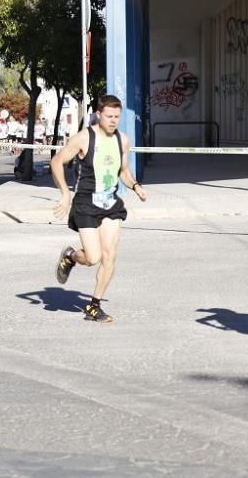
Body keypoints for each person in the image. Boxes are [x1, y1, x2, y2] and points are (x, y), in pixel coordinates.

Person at [50, 94, 147, 323]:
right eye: (109, 116)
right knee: (92, 257)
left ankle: (94, 305)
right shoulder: (84, 138)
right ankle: (71, 256)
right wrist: (65, 193)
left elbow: (123, 171)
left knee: (109, 255)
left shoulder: (122, 140)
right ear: (98, 114)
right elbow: (57, 162)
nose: (113, 120)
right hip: (85, 202)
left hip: (110, 203)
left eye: (117, 116)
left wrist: (135, 186)